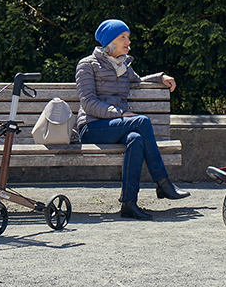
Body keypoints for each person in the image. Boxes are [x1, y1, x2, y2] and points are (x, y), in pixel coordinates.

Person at [75, 19, 189, 220]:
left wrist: (161, 77)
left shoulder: (123, 66)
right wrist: (119, 114)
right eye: (123, 37)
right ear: (110, 41)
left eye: (128, 37)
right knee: (141, 121)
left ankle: (129, 204)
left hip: (116, 126)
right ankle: (163, 183)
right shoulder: (87, 65)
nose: (128, 42)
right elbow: (88, 103)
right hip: (91, 127)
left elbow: (139, 80)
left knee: (136, 138)